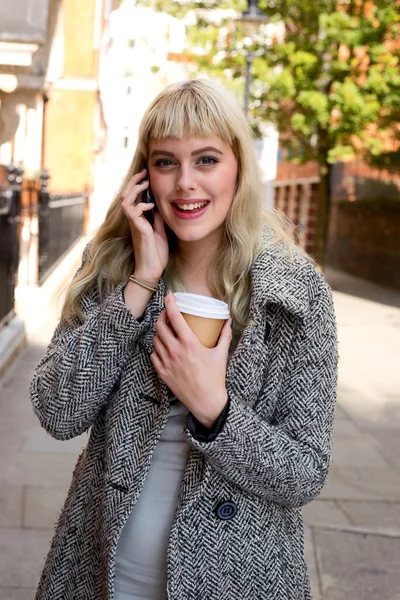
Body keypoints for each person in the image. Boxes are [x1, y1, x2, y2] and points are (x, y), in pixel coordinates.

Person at [30, 78, 338, 600]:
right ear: (144, 175)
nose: (185, 184)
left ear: (239, 167)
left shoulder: (294, 294)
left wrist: (215, 410)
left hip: (238, 580)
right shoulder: (111, 270)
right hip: (104, 571)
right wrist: (140, 281)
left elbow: (304, 473)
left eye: (207, 160)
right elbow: (58, 412)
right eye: (166, 162)